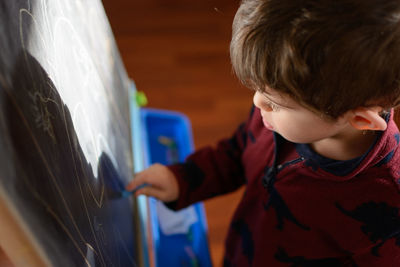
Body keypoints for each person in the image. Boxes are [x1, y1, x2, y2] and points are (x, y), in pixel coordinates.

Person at [127, 0, 400, 265]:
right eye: (258, 89)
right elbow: (238, 151)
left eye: (277, 103)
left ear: (361, 120)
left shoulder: (387, 206)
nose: (258, 102)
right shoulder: (276, 116)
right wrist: (184, 180)